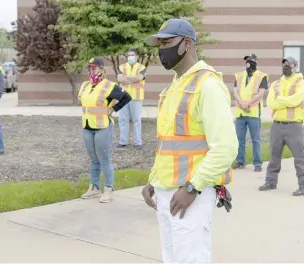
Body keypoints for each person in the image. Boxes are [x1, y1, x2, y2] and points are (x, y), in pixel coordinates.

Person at [141, 18, 238, 263]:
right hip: (166, 193)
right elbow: (168, 144)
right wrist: (154, 180)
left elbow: (226, 148)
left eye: (167, 42)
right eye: (159, 44)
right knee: (172, 257)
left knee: (190, 259)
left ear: (186, 43)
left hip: (190, 194)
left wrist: (193, 188)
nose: (162, 50)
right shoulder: (172, 88)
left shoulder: (207, 85)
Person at [78, 57, 132, 203]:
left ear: (102, 70)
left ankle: (108, 189)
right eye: (89, 68)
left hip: (102, 127)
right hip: (88, 126)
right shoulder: (85, 85)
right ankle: (94, 188)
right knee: (93, 159)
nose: (91, 71)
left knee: (104, 159)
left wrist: (113, 109)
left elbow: (126, 97)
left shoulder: (109, 85)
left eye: (94, 68)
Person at [259, 56, 304, 196]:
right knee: (274, 155)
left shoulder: (302, 83)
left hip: (293, 126)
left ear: (295, 66)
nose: (285, 66)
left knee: (299, 157)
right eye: (284, 64)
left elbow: (296, 100)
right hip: (277, 125)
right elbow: (269, 103)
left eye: (288, 64)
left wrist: (279, 100)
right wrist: (286, 101)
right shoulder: (276, 83)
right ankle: (270, 182)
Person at [232, 53, 268, 172]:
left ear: (256, 61)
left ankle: (257, 163)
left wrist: (247, 103)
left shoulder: (262, 76)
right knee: (239, 139)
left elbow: (261, 93)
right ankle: (240, 161)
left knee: (256, 140)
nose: (248, 62)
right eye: (247, 60)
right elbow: (235, 90)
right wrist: (241, 102)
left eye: (250, 60)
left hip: (253, 113)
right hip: (240, 113)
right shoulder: (239, 75)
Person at [117, 48, 147, 149]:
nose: (130, 57)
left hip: (136, 98)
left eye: (132, 55)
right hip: (123, 97)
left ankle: (138, 143)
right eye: (129, 55)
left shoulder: (142, 67)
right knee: (122, 120)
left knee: (136, 120)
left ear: (137, 56)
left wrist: (127, 78)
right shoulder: (121, 67)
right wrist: (133, 79)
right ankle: (123, 142)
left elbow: (139, 78)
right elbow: (120, 79)